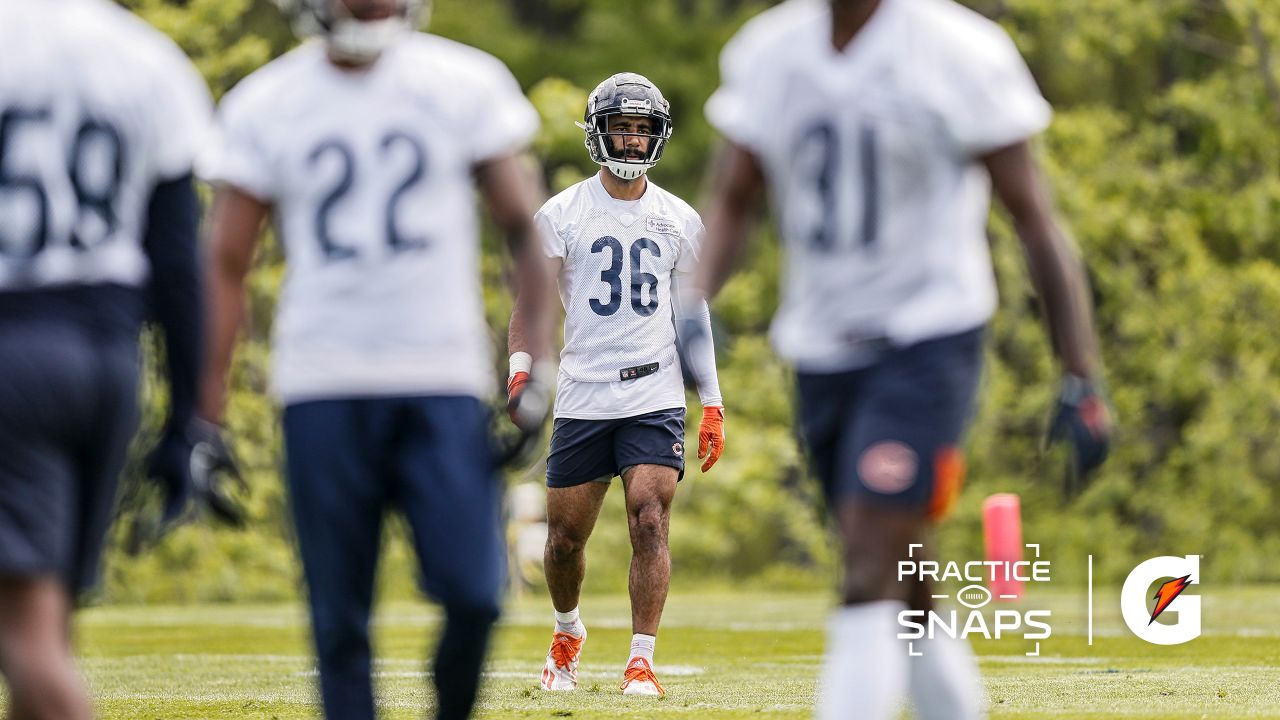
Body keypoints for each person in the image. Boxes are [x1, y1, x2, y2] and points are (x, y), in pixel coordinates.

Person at [686, 0, 1113, 718]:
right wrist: (688, 298)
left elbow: (1034, 219)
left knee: (867, 565)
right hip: (820, 346)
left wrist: (1082, 374)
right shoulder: (770, 52)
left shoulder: (957, 50)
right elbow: (734, 197)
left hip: (927, 339)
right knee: (904, 575)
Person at [197, 0, 557, 717]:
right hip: (321, 383)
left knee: (475, 594)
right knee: (338, 623)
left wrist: (536, 365)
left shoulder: (463, 83)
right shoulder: (267, 102)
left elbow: (525, 229)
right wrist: (203, 414)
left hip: (440, 379)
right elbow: (226, 262)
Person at [0, 1, 212, 718]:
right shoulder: (145, 58)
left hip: (12, 349)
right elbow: (180, 265)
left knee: (24, 637)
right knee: (46, 625)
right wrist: (187, 417)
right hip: (106, 356)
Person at [507, 72, 727, 697]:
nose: (630, 141)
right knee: (565, 541)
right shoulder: (563, 212)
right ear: (598, 133)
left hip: (654, 390)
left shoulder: (679, 219)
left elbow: (694, 317)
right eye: (620, 129)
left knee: (650, 519)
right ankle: (567, 629)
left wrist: (710, 400)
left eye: (641, 130)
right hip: (583, 389)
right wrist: (521, 364)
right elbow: (532, 301)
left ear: (656, 137)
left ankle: (640, 659)